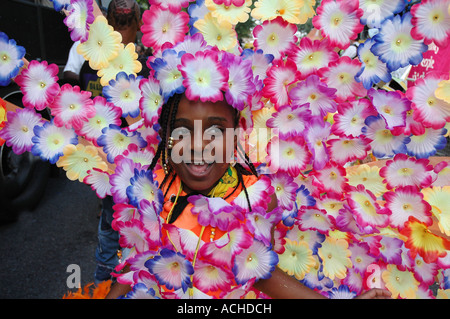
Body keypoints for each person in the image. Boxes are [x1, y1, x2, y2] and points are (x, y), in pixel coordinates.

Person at [105, 90, 391, 299]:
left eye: (216, 130)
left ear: (236, 135)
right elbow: (137, 263)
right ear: (167, 135)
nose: (198, 145)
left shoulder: (257, 197)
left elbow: (263, 276)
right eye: (183, 130)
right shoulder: (151, 189)